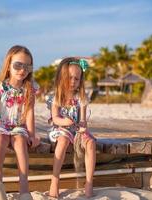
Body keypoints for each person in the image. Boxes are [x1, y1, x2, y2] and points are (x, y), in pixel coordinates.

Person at [0, 45, 38, 197]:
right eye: (18, 65)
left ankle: (24, 185)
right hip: (1, 125)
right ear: (9, 65)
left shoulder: (29, 89)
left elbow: (30, 112)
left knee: (20, 142)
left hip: (19, 126)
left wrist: (32, 135)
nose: (22, 70)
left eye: (27, 66)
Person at [47, 57, 96, 198]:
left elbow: (82, 120)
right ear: (61, 78)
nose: (73, 82)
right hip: (61, 129)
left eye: (77, 78)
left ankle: (89, 182)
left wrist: (82, 127)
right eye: (69, 78)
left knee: (91, 143)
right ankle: (55, 180)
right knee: (62, 141)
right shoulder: (57, 97)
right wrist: (65, 122)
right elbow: (55, 118)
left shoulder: (81, 97)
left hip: (76, 130)